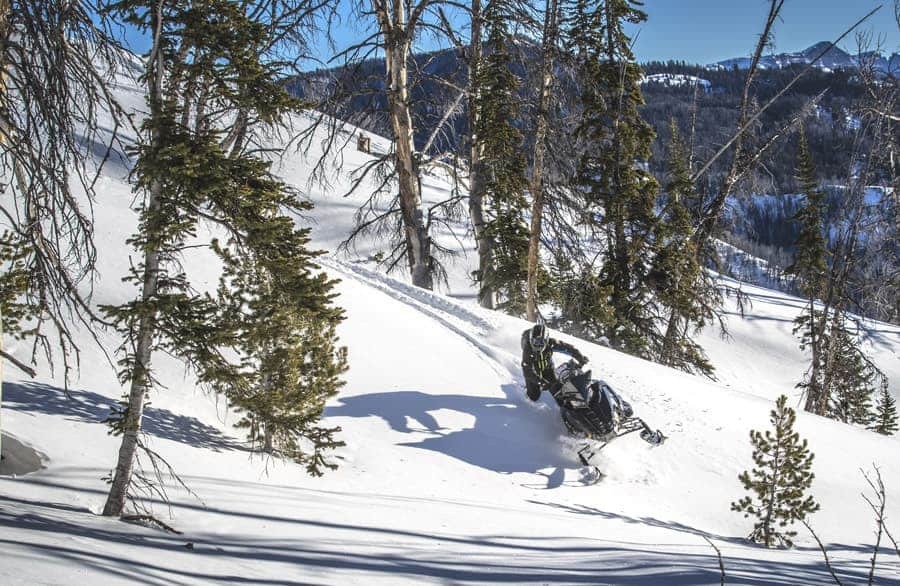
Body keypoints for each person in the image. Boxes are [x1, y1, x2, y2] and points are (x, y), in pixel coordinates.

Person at [520, 323, 588, 402]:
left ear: (546, 340)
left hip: (547, 368)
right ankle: (525, 389)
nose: (538, 345)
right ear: (531, 340)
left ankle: (569, 404)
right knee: (534, 397)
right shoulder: (528, 349)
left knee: (557, 388)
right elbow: (527, 371)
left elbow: (567, 347)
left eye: (541, 341)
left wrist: (579, 356)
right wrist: (541, 382)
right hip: (534, 373)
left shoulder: (551, 343)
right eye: (535, 341)